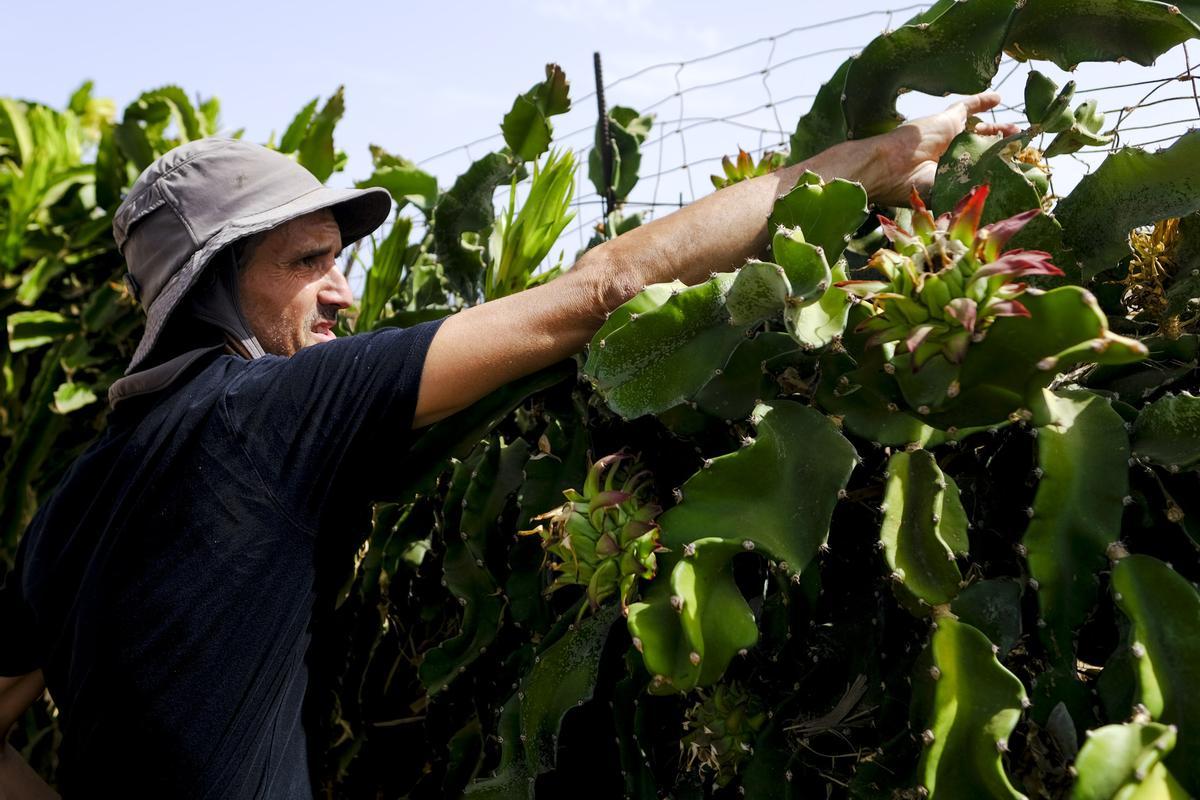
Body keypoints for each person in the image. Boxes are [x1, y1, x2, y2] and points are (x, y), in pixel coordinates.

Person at [0, 92, 1015, 797]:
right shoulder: (269, 410)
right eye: (308, 260)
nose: (344, 289)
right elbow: (600, 291)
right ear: (215, 283)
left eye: (339, 257)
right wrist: (867, 166)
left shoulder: (72, 498)